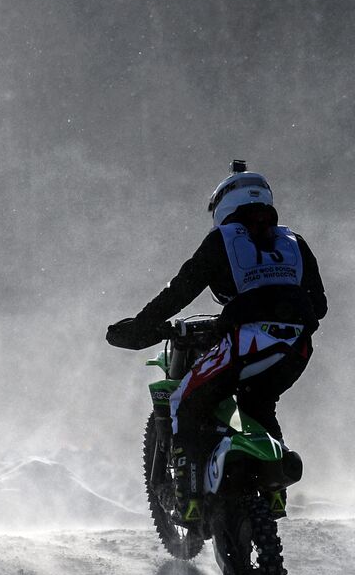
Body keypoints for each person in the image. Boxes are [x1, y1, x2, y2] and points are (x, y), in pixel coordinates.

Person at [106, 163, 327, 520]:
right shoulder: (295, 242)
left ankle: (190, 499)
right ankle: (274, 494)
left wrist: (142, 326)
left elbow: (180, 290)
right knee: (259, 402)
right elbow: (320, 305)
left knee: (184, 400)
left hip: (246, 343)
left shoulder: (223, 240)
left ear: (223, 205)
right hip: (296, 347)